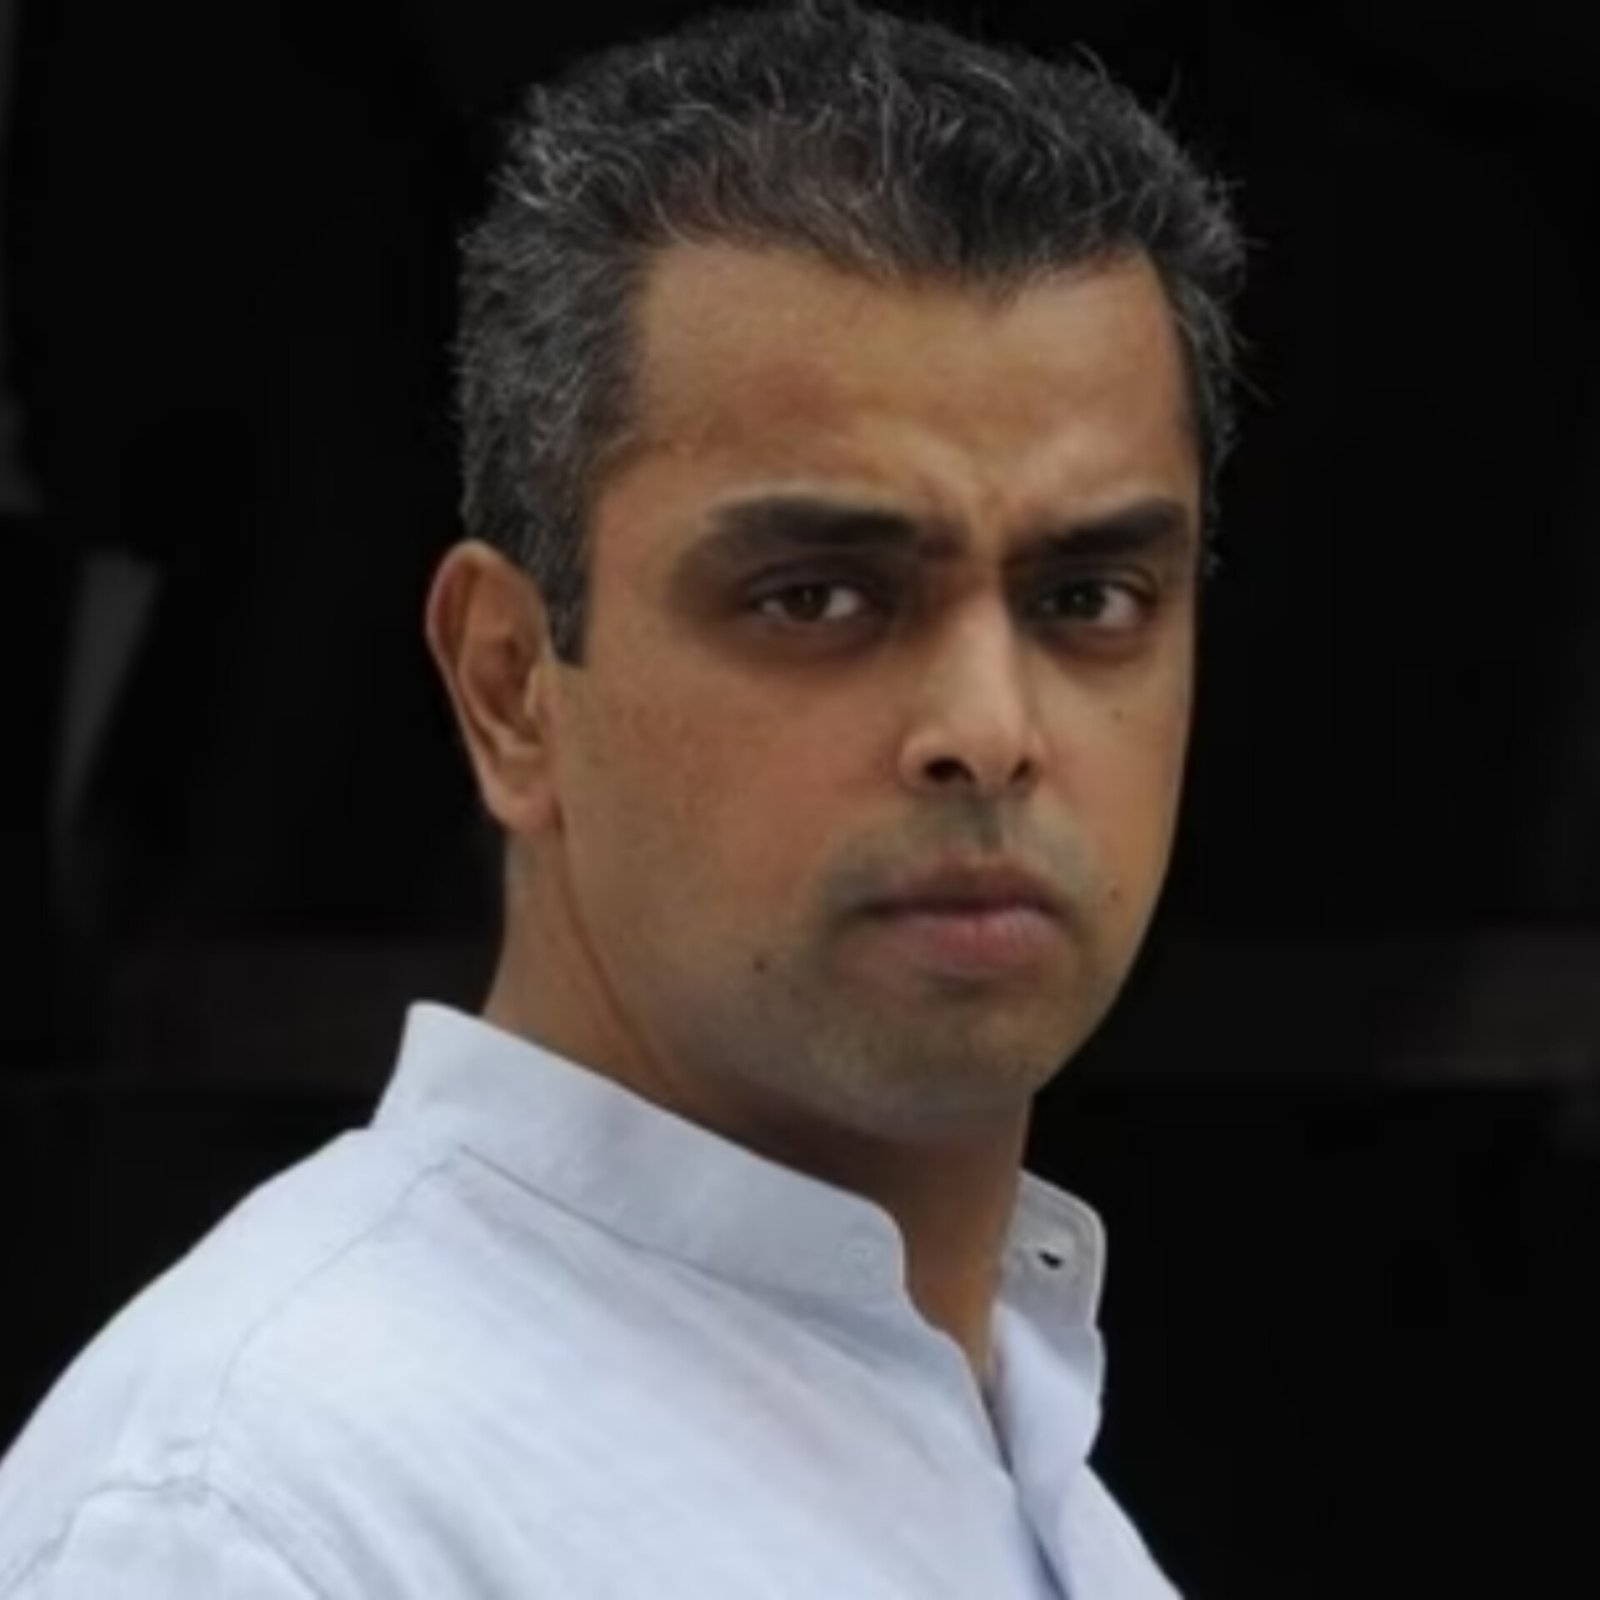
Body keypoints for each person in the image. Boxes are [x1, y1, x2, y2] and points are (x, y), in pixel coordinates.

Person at [0, 0, 1244, 1593]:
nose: (989, 731)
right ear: (510, 684)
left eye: (1089, 599)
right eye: (817, 597)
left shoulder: (1006, 1415)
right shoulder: (257, 1517)